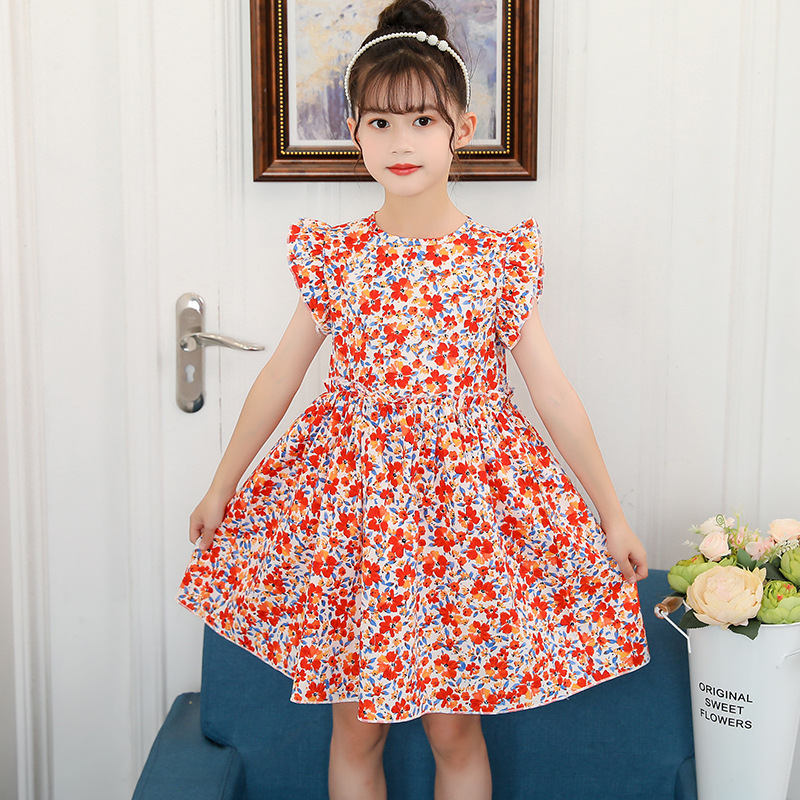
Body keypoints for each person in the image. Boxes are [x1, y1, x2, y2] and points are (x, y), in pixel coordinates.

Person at [178, 1, 649, 798]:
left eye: (423, 120)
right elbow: (280, 377)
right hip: (359, 519)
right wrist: (222, 486)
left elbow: (553, 393)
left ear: (462, 128)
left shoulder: (497, 261)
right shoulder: (339, 257)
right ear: (354, 133)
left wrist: (613, 515)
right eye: (381, 122)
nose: (402, 143)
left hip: (462, 525)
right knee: (356, 724)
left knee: (453, 728)